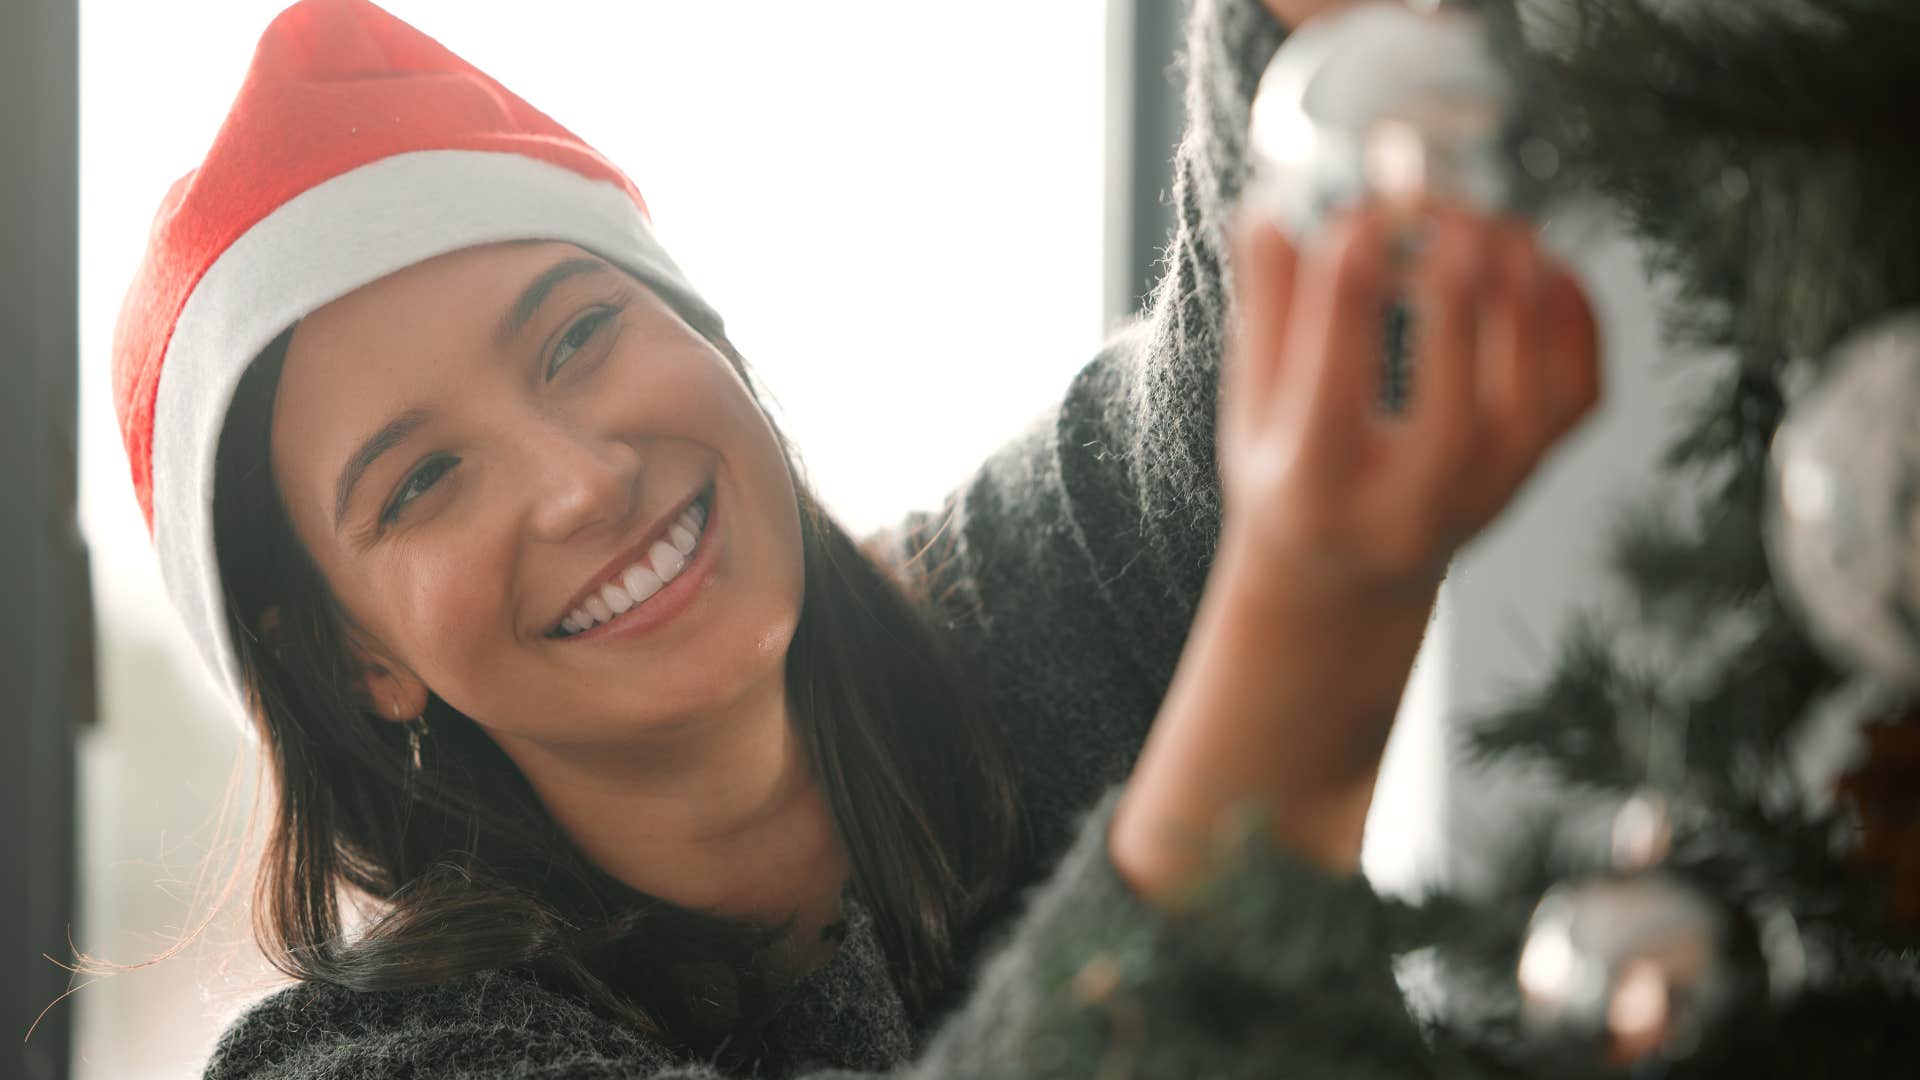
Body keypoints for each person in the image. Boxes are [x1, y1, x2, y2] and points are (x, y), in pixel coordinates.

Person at [109, 0, 1599, 1075]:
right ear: (357, 654)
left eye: (576, 336)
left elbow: (1270, 308)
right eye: (423, 480)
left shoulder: (1021, 605)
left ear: (701, 329)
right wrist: (1310, 616)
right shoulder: (378, 1069)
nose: (576, 484)